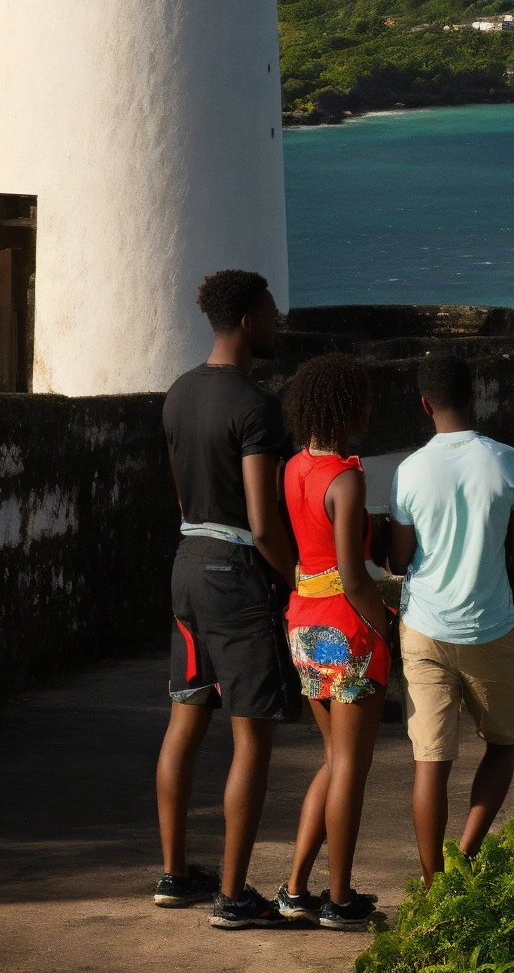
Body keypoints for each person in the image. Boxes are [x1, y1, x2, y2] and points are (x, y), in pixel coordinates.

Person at [154, 269, 295, 931]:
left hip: (186, 562)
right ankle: (234, 896)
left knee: (185, 718)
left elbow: (185, 498)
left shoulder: (178, 395)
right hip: (236, 574)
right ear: (245, 320)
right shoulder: (257, 407)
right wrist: (297, 577)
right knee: (252, 737)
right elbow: (264, 523)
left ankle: (174, 872)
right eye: (269, 311)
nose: (276, 320)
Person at [387, 353, 514, 886]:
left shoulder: (409, 471)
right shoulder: (507, 462)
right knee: (502, 744)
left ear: (425, 404)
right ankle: (466, 858)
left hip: (425, 629)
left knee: (430, 762)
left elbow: (400, 561)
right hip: (492, 627)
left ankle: (433, 884)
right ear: (473, 396)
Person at [274, 351, 393, 934]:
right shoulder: (347, 479)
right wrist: (388, 621)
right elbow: (353, 575)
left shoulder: (294, 468)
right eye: (363, 396)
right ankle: (339, 898)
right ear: (345, 406)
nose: (371, 405)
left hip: (302, 624)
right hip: (347, 630)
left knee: (332, 760)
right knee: (350, 765)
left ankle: (296, 888)